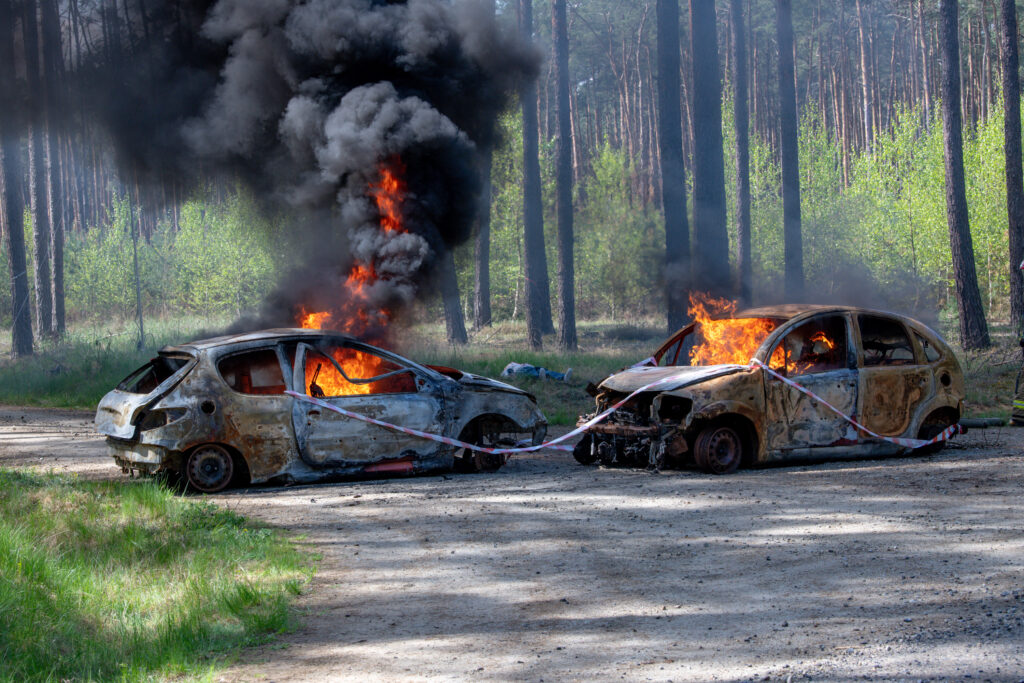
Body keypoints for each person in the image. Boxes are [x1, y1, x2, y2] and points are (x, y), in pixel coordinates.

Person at [500, 362, 572, 383]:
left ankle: (564, 377)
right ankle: (541, 378)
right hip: (522, 369)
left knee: (547, 371)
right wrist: (511, 374)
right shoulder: (508, 367)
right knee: (530, 372)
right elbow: (505, 374)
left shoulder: (514, 364)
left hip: (532, 367)